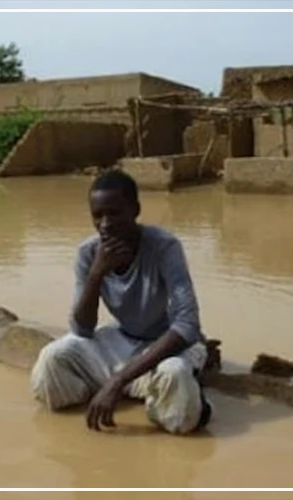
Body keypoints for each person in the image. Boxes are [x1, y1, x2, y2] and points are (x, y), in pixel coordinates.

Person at [30, 170, 212, 434]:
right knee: (51, 360)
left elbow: (187, 324)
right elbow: (82, 329)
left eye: (114, 213)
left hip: (165, 345)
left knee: (176, 380)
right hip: (122, 339)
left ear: (135, 210)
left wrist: (117, 381)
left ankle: (168, 394)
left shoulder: (164, 247)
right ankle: (135, 390)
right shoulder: (88, 252)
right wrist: (96, 274)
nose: (105, 224)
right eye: (97, 216)